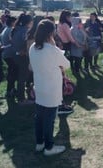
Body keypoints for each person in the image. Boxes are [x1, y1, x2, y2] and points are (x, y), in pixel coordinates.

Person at [29, 19, 70, 156]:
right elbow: (66, 65)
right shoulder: (52, 50)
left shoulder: (33, 47)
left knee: (39, 117)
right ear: (51, 33)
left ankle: (39, 143)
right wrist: (55, 47)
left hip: (39, 86)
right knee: (49, 119)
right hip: (52, 88)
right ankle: (49, 147)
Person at [11, 13, 33, 104]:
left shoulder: (16, 29)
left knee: (19, 76)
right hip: (23, 56)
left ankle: (17, 92)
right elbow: (26, 45)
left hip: (15, 55)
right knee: (22, 77)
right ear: (28, 22)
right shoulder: (25, 31)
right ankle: (21, 99)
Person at [0, 16, 17, 97]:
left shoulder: (5, 29)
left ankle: (11, 89)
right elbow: (12, 41)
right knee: (12, 73)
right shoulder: (10, 30)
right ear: (12, 22)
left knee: (11, 72)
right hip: (9, 54)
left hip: (6, 54)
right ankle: (10, 90)